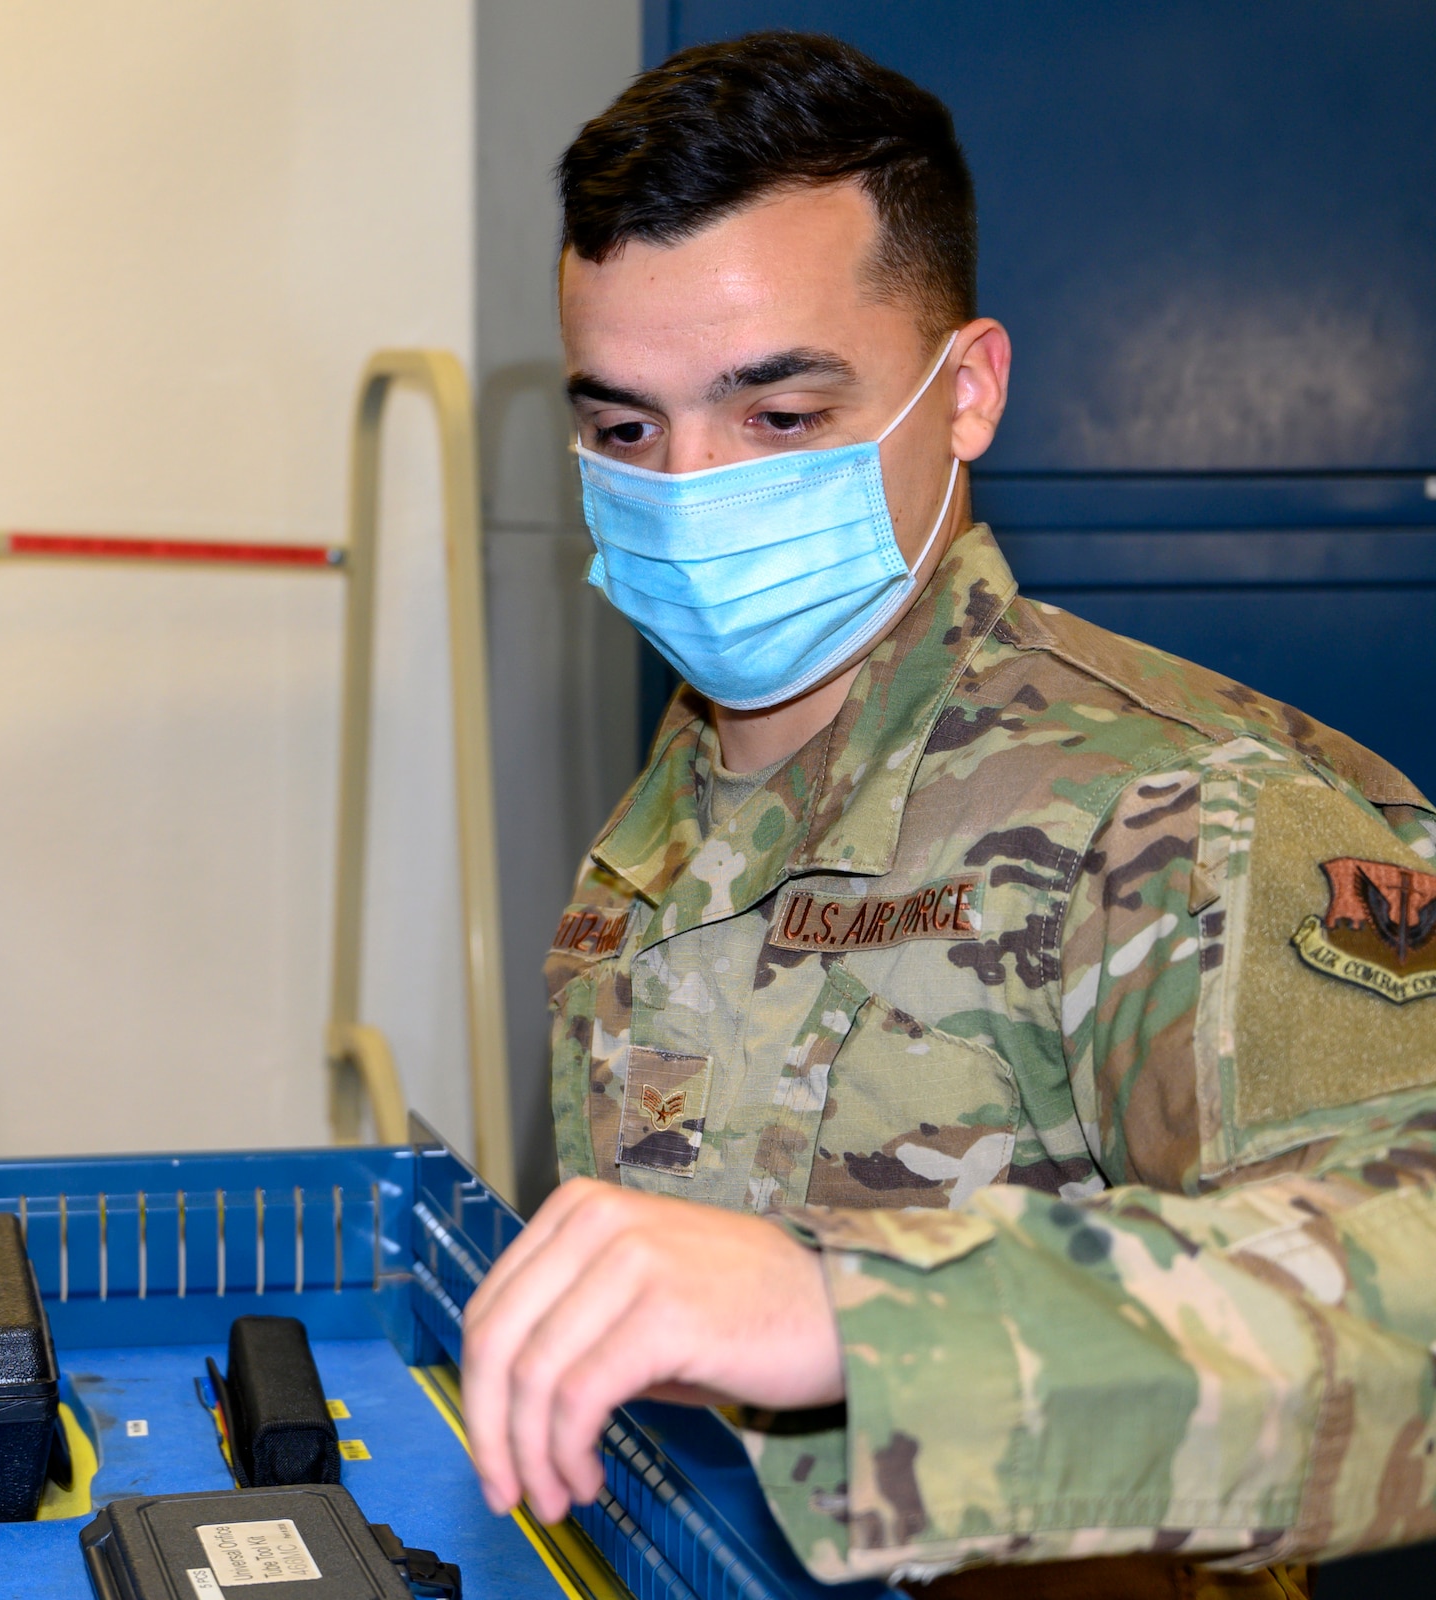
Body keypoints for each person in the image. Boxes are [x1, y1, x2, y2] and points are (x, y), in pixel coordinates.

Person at [459, 30, 1436, 1598]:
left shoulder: (1179, 806)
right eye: (626, 430)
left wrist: (848, 1319)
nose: (691, 492)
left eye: (778, 418)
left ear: (966, 391)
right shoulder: (680, 800)